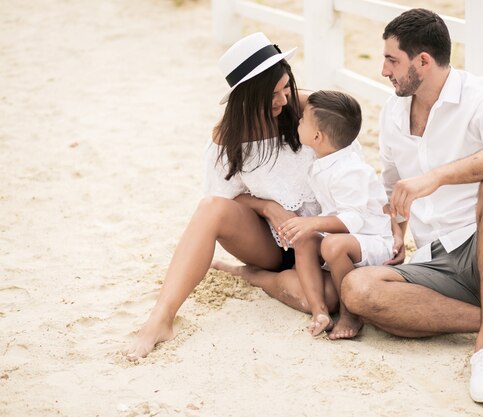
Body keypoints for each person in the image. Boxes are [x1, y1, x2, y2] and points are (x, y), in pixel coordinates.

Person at [340, 9, 483, 403]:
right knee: (358, 289)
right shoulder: (393, 111)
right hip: (439, 264)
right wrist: (397, 229)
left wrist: (436, 176)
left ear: (423, 61)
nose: (384, 70)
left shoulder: (480, 97)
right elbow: (391, 185)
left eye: (392, 60)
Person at [124, 32, 338, 360]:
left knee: (325, 301)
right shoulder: (229, 138)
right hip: (271, 243)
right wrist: (267, 207)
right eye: (272, 94)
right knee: (210, 208)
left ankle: (251, 276)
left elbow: (349, 159)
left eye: (285, 87)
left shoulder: (309, 109)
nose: (282, 100)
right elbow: (226, 198)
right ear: (247, 96)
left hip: (324, 238)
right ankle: (160, 319)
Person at [278, 91, 395, 339]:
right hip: (345, 241)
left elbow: (353, 220)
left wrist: (313, 223)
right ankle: (319, 311)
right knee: (304, 239)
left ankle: (350, 312)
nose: (298, 120)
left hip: (372, 242)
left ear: (317, 136)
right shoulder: (324, 158)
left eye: (302, 120)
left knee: (330, 244)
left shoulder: (349, 170)